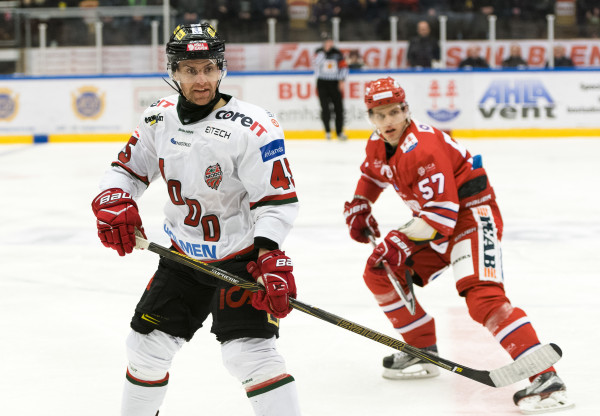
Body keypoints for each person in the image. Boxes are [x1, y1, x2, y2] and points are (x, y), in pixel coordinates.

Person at [91, 23, 301, 416]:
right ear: (173, 72)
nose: (201, 79)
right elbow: (126, 170)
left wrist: (270, 253)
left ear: (221, 69)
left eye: (208, 68)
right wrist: (113, 198)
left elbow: (277, 201)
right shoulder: (158, 118)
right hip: (183, 257)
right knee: (145, 348)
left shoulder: (254, 126)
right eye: (190, 70)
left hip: (241, 258)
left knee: (249, 355)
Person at [342, 77, 574, 414]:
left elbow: (443, 217)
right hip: (439, 222)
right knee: (380, 269)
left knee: (482, 296)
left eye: (394, 112)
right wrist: (361, 202)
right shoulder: (379, 143)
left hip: (470, 218)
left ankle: (546, 378)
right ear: (369, 117)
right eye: (378, 115)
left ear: (406, 110)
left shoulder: (422, 147)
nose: (387, 121)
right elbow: (374, 174)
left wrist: (399, 240)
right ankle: (423, 351)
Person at [313, 32, 348, 140]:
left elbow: (343, 67)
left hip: (334, 83)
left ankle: (339, 132)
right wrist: (325, 53)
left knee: (339, 108)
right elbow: (316, 63)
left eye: (330, 41)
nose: (328, 43)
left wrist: (342, 80)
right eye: (326, 42)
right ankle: (327, 131)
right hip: (322, 83)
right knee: (325, 108)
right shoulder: (319, 52)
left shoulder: (337, 53)